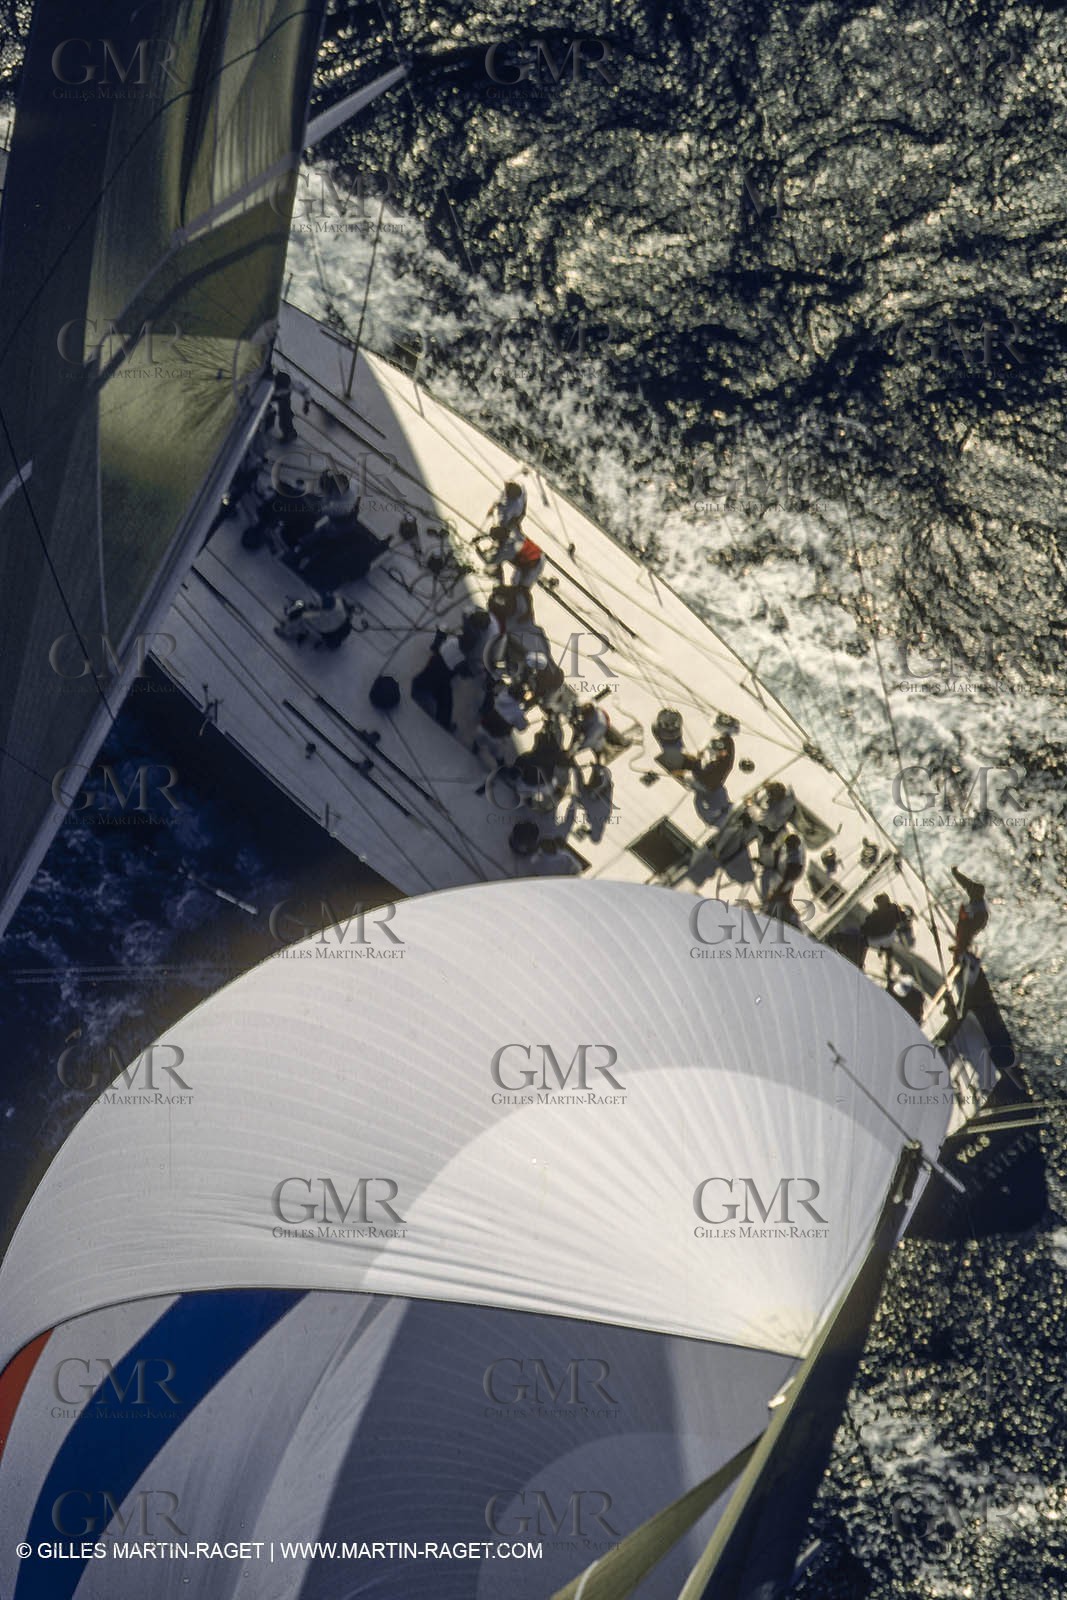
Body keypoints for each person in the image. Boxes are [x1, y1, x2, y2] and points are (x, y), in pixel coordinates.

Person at [411, 629, 465, 729]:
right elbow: (464, 672)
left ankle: (419, 687)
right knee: (445, 697)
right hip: (444, 669)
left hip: (438, 661)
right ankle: (444, 722)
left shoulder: (453, 641)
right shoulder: (463, 651)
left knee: (428, 678)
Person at [274, 591, 351, 649]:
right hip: (338, 626)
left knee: (301, 614)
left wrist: (308, 608)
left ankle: (285, 631)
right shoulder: (339, 603)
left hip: (323, 630)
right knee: (304, 606)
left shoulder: (320, 614)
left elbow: (305, 615)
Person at [950, 865, 989, 961]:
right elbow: (965, 883)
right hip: (969, 918)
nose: (971, 892)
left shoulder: (981, 910)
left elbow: (975, 926)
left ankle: (960, 953)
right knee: (962, 929)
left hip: (975, 921)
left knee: (965, 934)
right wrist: (955, 873)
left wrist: (966, 919)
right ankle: (959, 947)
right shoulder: (974, 893)